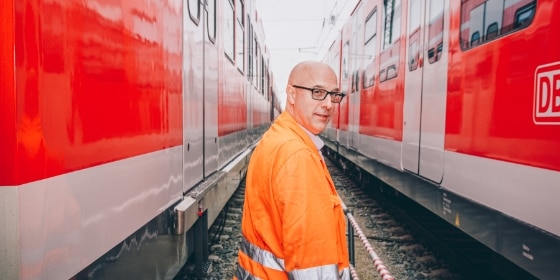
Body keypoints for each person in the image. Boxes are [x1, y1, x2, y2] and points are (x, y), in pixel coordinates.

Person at [234, 61, 350, 280]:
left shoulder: (276, 138)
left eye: (334, 95)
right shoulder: (298, 156)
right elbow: (314, 268)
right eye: (317, 92)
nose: (328, 104)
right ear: (292, 94)